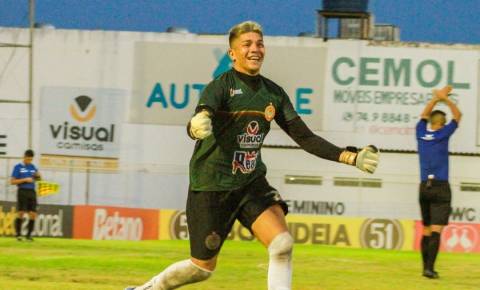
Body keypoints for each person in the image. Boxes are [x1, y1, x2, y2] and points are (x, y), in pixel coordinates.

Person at [126, 21, 379, 290]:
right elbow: (202, 113)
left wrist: (350, 157)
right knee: (201, 269)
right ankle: (149, 289)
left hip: (249, 182)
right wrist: (196, 124)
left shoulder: (273, 94)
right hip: (211, 186)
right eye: (246, 44)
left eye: (259, 43)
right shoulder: (221, 86)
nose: (254, 49)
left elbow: (304, 138)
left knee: (282, 244)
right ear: (233, 53)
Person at [416, 85, 461, 279]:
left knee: (426, 229)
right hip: (441, 187)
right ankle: (429, 269)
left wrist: (435, 99)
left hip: (424, 187)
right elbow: (458, 116)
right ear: (442, 124)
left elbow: (423, 116)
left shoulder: (420, 134)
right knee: (436, 230)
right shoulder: (443, 135)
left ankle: (425, 267)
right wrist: (446, 98)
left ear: (431, 123)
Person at [11, 149, 41, 241]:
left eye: (31, 159)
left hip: (32, 191)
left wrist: (38, 176)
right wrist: (25, 180)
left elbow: (38, 179)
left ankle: (28, 235)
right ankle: (18, 234)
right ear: (24, 157)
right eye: (28, 159)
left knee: (33, 214)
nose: (29, 161)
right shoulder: (18, 167)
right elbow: (12, 181)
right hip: (22, 191)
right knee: (21, 213)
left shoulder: (33, 167)